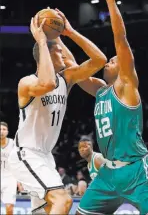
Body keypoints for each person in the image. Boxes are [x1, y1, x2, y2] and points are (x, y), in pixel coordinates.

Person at [73, 0, 148, 214]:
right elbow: (75, 72)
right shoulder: (100, 89)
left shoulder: (125, 86)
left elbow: (120, 39)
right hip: (107, 173)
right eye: (110, 59)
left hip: (135, 170)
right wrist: (65, 33)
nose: (111, 60)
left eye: (114, 59)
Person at [8, 11, 107, 215]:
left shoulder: (67, 79)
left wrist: (70, 33)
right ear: (47, 55)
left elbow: (99, 60)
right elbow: (48, 82)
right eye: (59, 52)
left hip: (44, 156)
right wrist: (43, 41)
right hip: (25, 153)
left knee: (46, 210)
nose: (64, 55)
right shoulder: (27, 83)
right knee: (63, 200)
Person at [1, 122, 21, 215]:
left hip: (10, 178)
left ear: (7, 132)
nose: (1, 131)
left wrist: (19, 181)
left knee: (9, 208)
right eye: (0, 129)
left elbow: (18, 162)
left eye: (4, 129)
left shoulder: (13, 144)